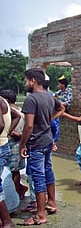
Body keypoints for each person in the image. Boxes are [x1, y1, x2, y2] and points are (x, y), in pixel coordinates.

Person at [19, 68, 64, 226]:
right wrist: (48, 120)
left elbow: (29, 126)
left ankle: (40, 214)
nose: (25, 84)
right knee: (48, 171)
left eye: (26, 80)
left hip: (36, 142)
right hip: (47, 140)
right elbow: (62, 108)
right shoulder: (50, 96)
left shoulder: (31, 99)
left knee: (38, 176)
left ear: (33, 81)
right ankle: (51, 202)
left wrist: (22, 145)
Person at [0, 89, 28, 200]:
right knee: (12, 170)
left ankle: (16, 192)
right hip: (13, 143)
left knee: (13, 170)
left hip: (14, 144)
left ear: (6, 100)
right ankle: (18, 189)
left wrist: (10, 132)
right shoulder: (19, 111)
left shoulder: (13, 112)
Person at [0, 94, 15, 228]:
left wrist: (6, 131)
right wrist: (8, 132)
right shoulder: (3, 101)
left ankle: (7, 221)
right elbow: (17, 115)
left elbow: (0, 125)